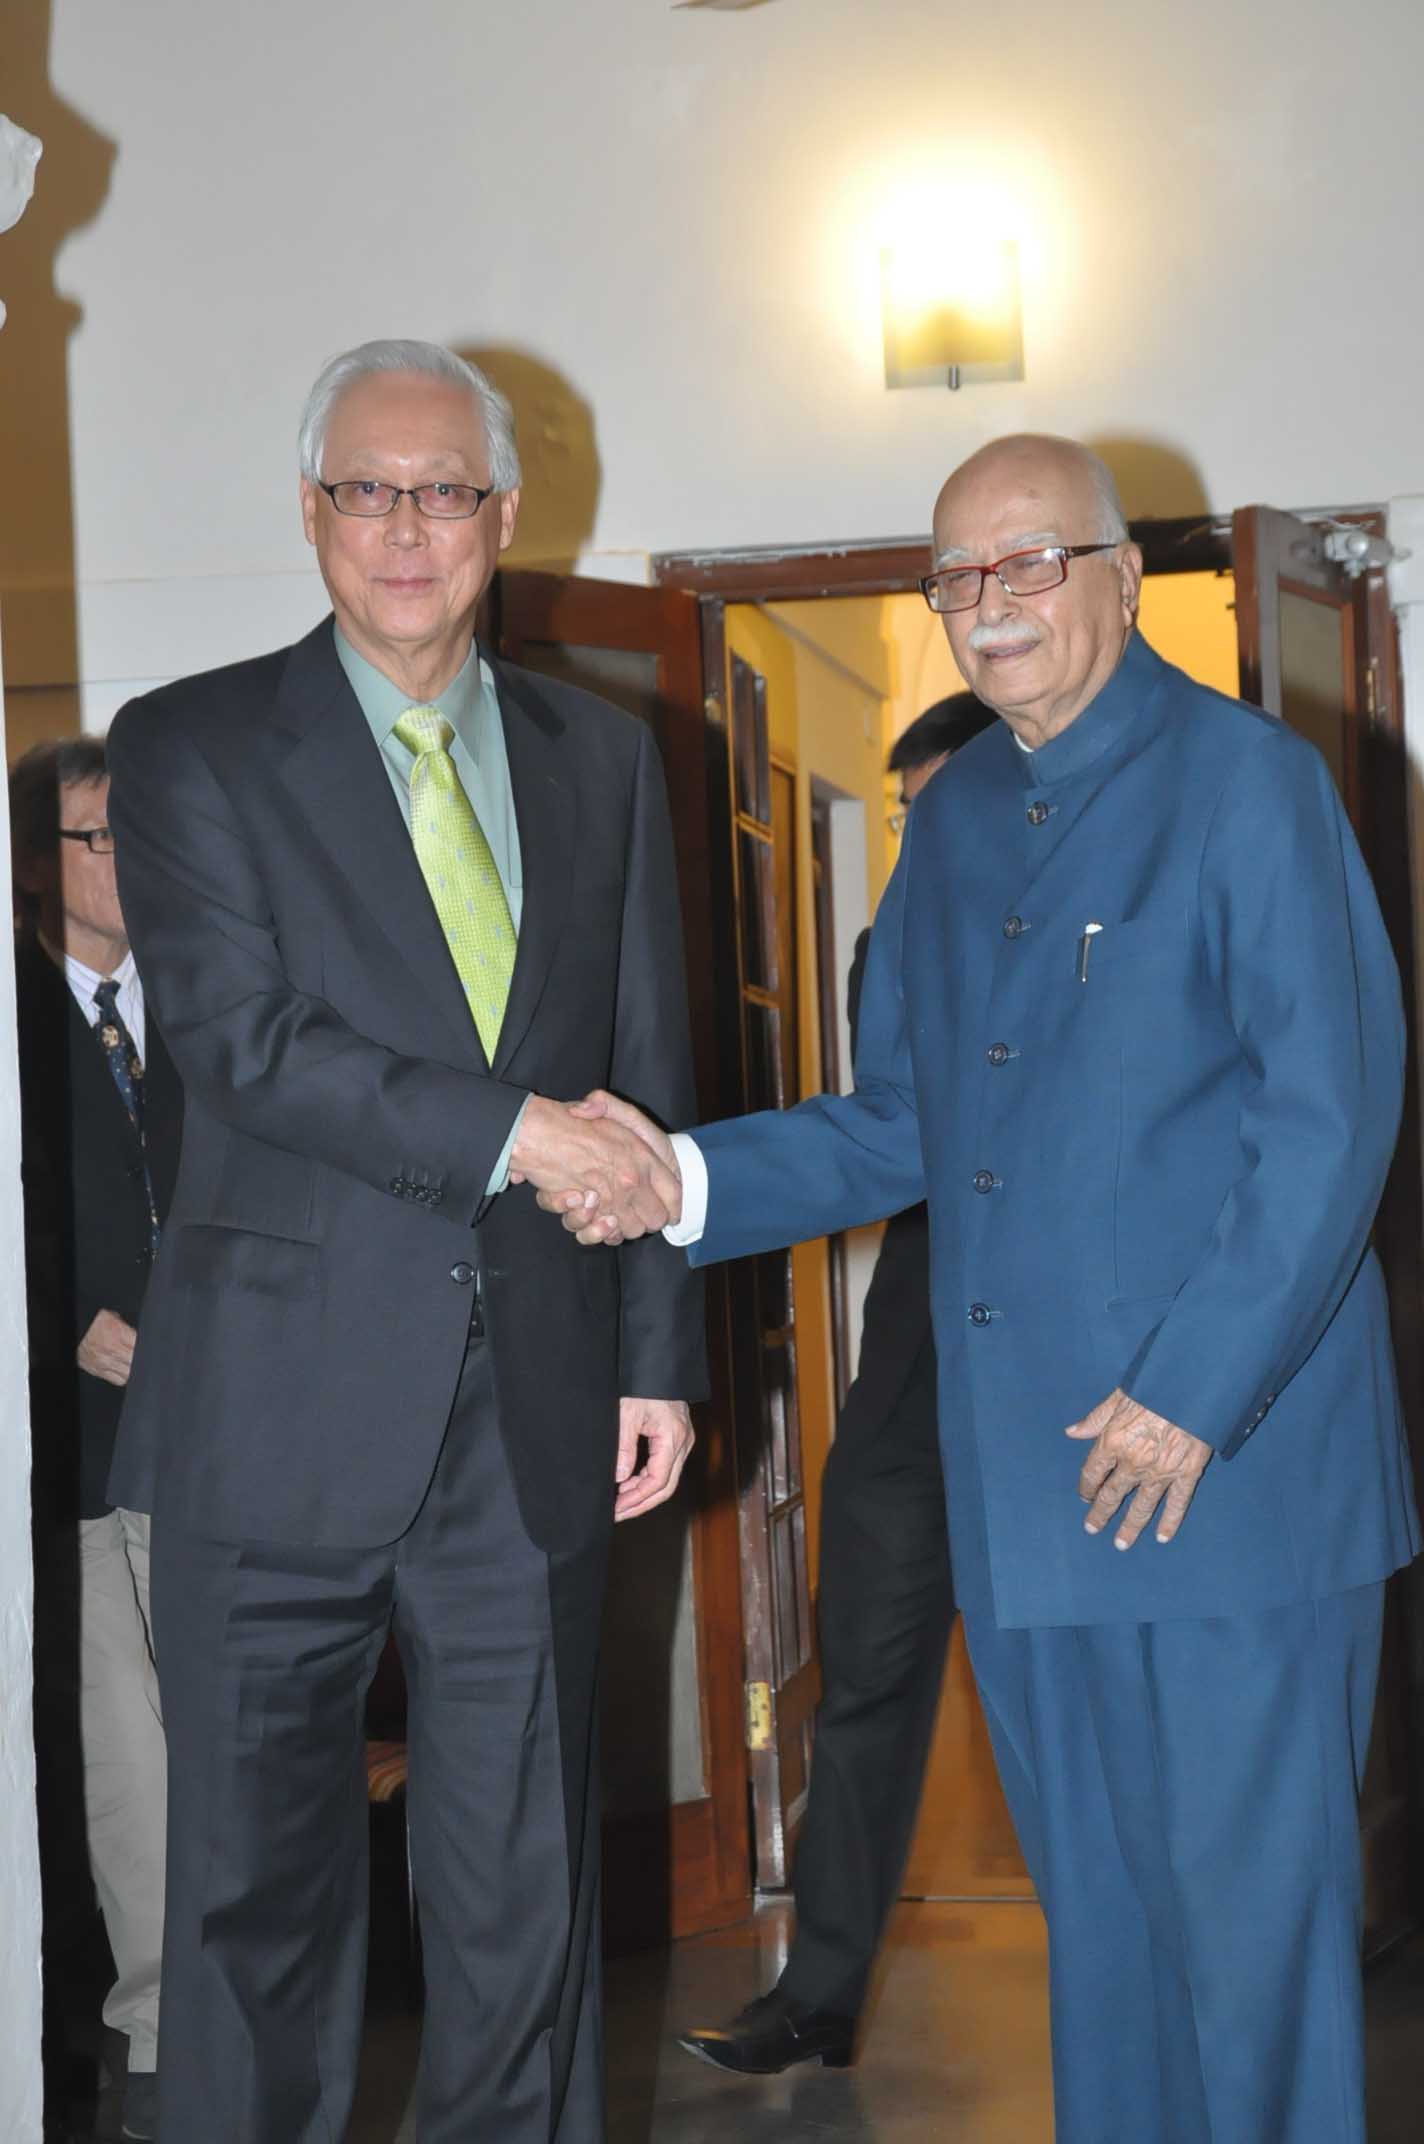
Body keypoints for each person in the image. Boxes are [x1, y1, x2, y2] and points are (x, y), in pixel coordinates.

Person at [546, 435, 1420, 2144]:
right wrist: (680, 1175)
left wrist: (1190, 1387)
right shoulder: (950, 826)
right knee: (1101, 1948)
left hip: (1223, 1487)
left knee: (1251, 1962)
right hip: (1031, 1496)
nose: (988, 604)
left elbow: (1332, 1120)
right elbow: (906, 1127)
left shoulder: (1248, 785)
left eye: (1029, 563)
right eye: (958, 576)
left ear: (1120, 576)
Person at [104, 339, 705, 2144]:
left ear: (505, 516)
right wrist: (520, 1137)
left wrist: (657, 1353)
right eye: (366, 489)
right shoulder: (190, 742)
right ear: (311, 514)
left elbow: (651, 1070)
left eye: (444, 489)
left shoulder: (603, 758)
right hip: (269, 1414)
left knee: (527, 1905)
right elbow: (242, 1042)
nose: (405, 527)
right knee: (251, 1923)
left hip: (532, 1414)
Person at [679, 693, 994, 2078]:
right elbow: (890, 1134)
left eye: (939, 807)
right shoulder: (889, 947)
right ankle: (817, 1990)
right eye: (909, 810)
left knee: (1065, 1698)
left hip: (1071, 1386)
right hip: (915, 1370)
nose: (920, 836)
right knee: (862, 1676)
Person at [12, 737, 178, 2144]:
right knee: (125, 1748)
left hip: (214, 1430)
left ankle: (237, 2002)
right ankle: (160, 2035)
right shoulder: (15, 1019)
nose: (122, 858)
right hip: (72, 1440)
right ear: (33, 860)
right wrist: (58, 1324)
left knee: (222, 1731)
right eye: (91, 836)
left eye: (135, 830)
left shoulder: (194, 995)